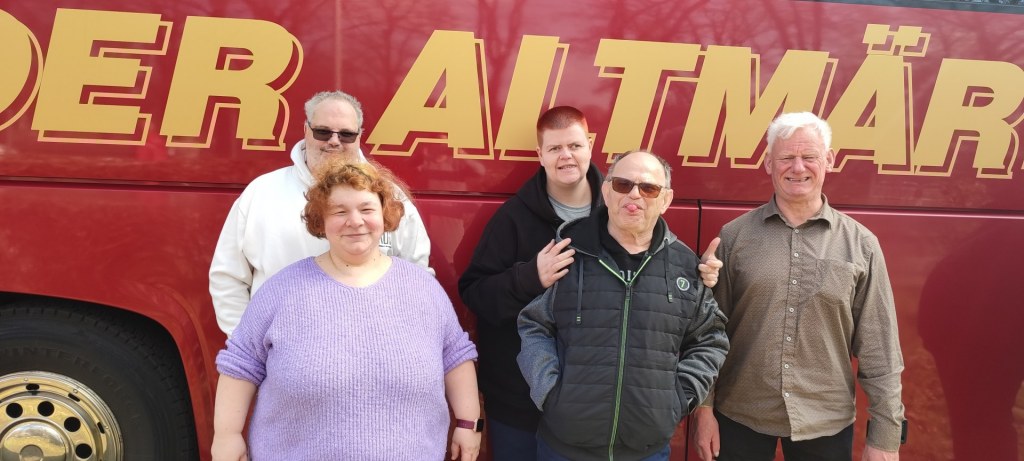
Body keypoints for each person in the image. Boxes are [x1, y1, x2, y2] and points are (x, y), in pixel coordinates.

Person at [459, 107, 722, 460]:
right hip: (521, 405)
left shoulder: (643, 229)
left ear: (590, 147)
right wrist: (530, 278)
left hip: (629, 430)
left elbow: (703, 334)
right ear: (540, 155)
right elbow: (481, 296)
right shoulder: (514, 219)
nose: (634, 196)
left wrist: (677, 398)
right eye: (554, 148)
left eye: (574, 145)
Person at [211, 158, 481, 460]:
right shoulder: (282, 290)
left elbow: (456, 356)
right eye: (340, 211)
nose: (355, 221)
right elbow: (240, 365)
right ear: (321, 222)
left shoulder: (423, 288)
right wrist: (227, 436)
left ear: (384, 215)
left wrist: (469, 424)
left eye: (367, 209)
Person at [692, 112, 906, 461]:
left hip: (826, 421)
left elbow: (880, 350)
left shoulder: (861, 245)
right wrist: (704, 410)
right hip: (739, 416)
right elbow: (708, 333)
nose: (798, 167)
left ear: (829, 161)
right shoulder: (734, 237)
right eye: (786, 157)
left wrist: (885, 437)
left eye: (809, 157)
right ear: (768, 163)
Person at [517, 150, 730, 461]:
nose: (634, 195)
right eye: (622, 184)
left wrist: (680, 398)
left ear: (666, 200)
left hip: (646, 450)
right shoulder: (567, 255)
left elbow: (710, 339)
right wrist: (549, 392)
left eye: (648, 188)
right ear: (606, 191)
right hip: (564, 447)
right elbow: (534, 324)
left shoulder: (686, 268)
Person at [209, 90, 432, 336]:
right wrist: (248, 344)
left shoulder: (391, 197)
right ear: (306, 130)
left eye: (346, 134)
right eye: (323, 131)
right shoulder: (261, 194)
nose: (334, 141)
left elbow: (417, 276)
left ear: (359, 137)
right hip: (282, 356)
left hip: (371, 351)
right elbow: (227, 277)